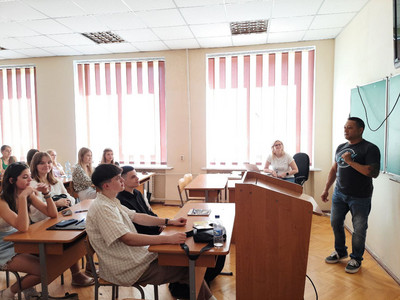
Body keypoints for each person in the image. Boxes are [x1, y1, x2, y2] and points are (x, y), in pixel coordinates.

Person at [86, 164, 214, 300]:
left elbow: (137, 216)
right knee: (188, 268)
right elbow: (127, 239)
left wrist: (168, 221)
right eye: (118, 179)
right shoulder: (103, 208)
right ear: (106, 186)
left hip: (135, 258)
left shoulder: (111, 201)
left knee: (187, 263)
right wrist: (168, 239)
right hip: (126, 268)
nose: (122, 181)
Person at [118, 165, 226, 297]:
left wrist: (164, 222)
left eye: (136, 175)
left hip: (159, 231)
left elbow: (149, 213)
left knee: (197, 236)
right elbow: (138, 226)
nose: (137, 178)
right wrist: (163, 229)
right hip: (151, 238)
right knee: (192, 246)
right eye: (133, 176)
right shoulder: (121, 201)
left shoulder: (137, 193)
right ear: (122, 181)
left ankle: (198, 279)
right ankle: (188, 283)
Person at [321, 117, 380, 274]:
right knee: (335, 223)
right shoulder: (341, 147)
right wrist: (326, 188)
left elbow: (372, 173)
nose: (346, 130)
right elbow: (335, 169)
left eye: (350, 128)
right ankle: (341, 252)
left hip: (360, 197)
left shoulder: (370, 148)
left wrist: (350, 161)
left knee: (359, 229)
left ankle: (356, 259)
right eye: (345, 127)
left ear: (360, 130)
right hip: (339, 194)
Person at [28, 152, 94, 286]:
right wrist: (56, 202)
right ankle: (76, 275)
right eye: (42, 163)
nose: (46, 165)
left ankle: (89, 267)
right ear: (35, 165)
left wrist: (63, 201)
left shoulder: (55, 181)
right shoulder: (33, 184)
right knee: (70, 238)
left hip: (60, 218)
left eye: (48, 162)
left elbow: (69, 198)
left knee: (87, 231)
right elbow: (36, 211)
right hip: (41, 223)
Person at [0, 162, 58, 300]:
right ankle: (7, 293)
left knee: (52, 261)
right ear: (12, 181)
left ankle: (27, 290)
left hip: (17, 239)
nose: (30, 180)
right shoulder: (2, 201)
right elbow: (23, 227)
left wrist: (46, 194)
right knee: (43, 270)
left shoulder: (27, 195)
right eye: (25, 177)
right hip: (2, 245)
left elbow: (52, 213)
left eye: (30, 176)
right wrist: (22, 198)